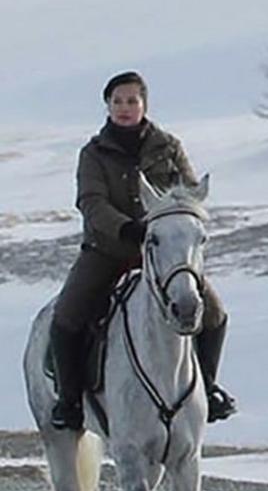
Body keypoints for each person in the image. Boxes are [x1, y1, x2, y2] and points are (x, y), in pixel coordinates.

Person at [47, 72, 235, 429]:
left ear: (144, 104)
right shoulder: (93, 154)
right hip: (109, 250)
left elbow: (188, 193)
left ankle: (207, 388)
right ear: (107, 105)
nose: (125, 108)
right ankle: (69, 400)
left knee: (215, 313)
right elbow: (91, 202)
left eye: (132, 100)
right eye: (117, 101)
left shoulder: (169, 146)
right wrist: (127, 228)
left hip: (164, 255)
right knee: (67, 315)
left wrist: (176, 220)